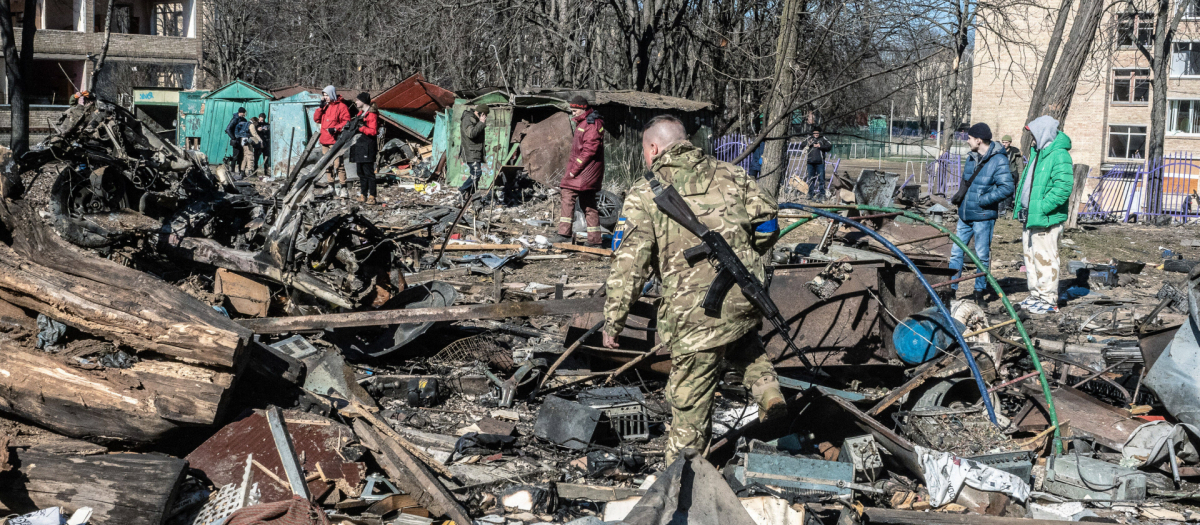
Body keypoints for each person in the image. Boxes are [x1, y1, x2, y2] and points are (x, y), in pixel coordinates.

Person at [601, 115, 786, 465]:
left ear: (653, 148)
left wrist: (615, 321)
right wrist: (748, 254)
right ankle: (768, 390)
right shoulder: (731, 173)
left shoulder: (645, 193)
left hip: (694, 314)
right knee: (740, 341)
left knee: (689, 405)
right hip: (744, 296)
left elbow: (629, 267)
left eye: (644, 151)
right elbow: (769, 223)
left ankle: (684, 482)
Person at [1013, 115, 1075, 315]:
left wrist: (1041, 208)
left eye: (1033, 134)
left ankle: (1048, 299)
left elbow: (1063, 187)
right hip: (1031, 217)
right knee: (1031, 258)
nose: (1031, 139)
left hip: (1045, 218)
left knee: (1045, 258)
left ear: (1043, 133)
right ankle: (1036, 294)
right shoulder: (1039, 153)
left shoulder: (1059, 154)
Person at [949, 123, 1014, 305]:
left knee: (981, 256)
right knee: (955, 253)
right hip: (964, 215)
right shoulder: (971, 157)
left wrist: (983, 200)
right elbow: (965, 182)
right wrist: (959, 200)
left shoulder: (999, 160)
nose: (967, 141)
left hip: (983, 217)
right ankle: (951, 290)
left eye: (969, 138)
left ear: (978, 140)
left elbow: (1007, 187)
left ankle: (979, 292)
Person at [550, 96, 606, 246]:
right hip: (589, 172)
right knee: (588, 204)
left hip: (584, 172)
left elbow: (589, 151)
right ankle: (595, 241)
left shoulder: (591, 124)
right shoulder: (585, 122)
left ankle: (564, 233)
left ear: (582, 108)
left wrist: (574, 171)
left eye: (574, 110)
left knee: (567, 194)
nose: (573, 113)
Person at [314, 85, 351, 198]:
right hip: (325, 139)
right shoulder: (325, 107)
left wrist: (336, 128)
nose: (325, 98)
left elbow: (347, 121)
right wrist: (320, 107)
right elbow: (316, 118)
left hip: (335, 140)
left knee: (338, 164)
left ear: (332, 94)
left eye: (327, 95)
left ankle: (343, 188)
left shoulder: (341, 106)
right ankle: (331, 186)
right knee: (326, 165)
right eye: (324, 95)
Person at [349, 92, 379, 205]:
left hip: (368, 146)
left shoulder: (372, 114)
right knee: (360, 172)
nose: (356, 102)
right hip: (359, 145)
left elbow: (373, 131)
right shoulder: (360, 114)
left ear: (363, 101)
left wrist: (361, 128)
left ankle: (372, 195)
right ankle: (363, 194)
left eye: (357, 100)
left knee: (369, 172)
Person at [459, 104, 488, 194]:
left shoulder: (474, 119)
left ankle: (472, 196)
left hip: (475, 151)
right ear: (481, 113)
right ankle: (463, 190)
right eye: (485, 115)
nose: (485, 117)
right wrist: (481, 123)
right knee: (477, 173)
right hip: (471, 151)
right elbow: (471, 133)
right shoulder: (468, 118)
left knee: (476, 176)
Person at [802, 127, 832, 201]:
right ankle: (810, 194)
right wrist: (808, 144)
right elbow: (802, 145)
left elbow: (829, 146)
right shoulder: (809, 138)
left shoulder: (823, 139)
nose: (816, 134)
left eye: (817, 133)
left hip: (820, 163)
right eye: (814, 133)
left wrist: (820, 146)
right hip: (810, 162)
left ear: (819, 133)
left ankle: (822, 194)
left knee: (821, 179)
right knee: (811, 178)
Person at [999, 135, 1024, 215]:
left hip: (1011, 174)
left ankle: (1008, 207)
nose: (1004, 144)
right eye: (1003, 142)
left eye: (1006, 142)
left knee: (1009, 191)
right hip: (1001, 174)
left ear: (1010, 143)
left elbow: (1020, 166)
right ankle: (1001, 209)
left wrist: (1020, 178)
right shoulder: (999, 151)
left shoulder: (1015, 152)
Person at [225, 107, 249, 178]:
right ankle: (232, 171)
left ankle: (241, 172)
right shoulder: (235, 119)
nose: (244, 114)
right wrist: (233, 138)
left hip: (242, 140)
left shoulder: (244, 120)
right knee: (235, 156)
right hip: (236, 140)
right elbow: (228, 129)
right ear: (240, 112)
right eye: (243, 112)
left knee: (242, 157)